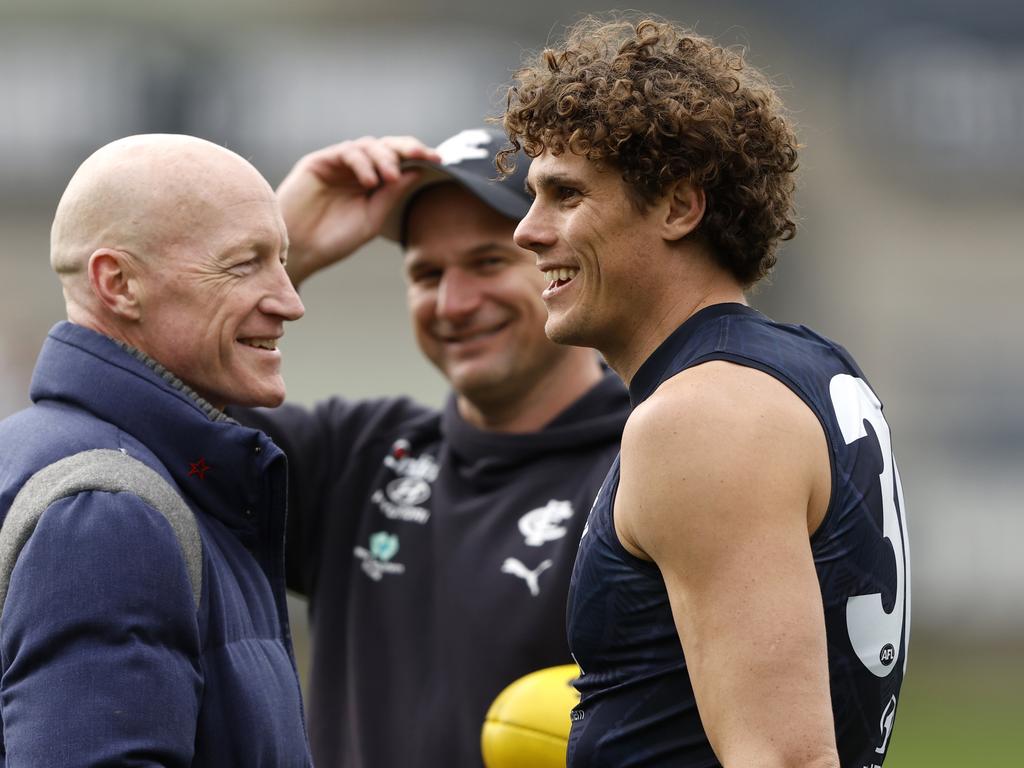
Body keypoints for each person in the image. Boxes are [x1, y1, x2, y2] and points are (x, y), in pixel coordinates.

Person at [501, 16, 910, 768]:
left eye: (565, 194)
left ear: (678, 207)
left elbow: (784, 758)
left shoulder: (703, 416)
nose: (526, 231)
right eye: (533, 194)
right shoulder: (813, 366)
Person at [235, 127, 629, 767]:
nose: (454, 302)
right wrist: (279, 253)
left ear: (560, 263)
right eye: (426, 273)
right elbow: (151, 418)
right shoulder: (356, 457)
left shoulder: (648, 464)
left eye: (487, 263)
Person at [0, 134, 312, 766]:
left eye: (282, 259)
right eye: (243, 264)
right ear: (117, 283)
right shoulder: (109, 511)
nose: (290, 301)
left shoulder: (36, 449)